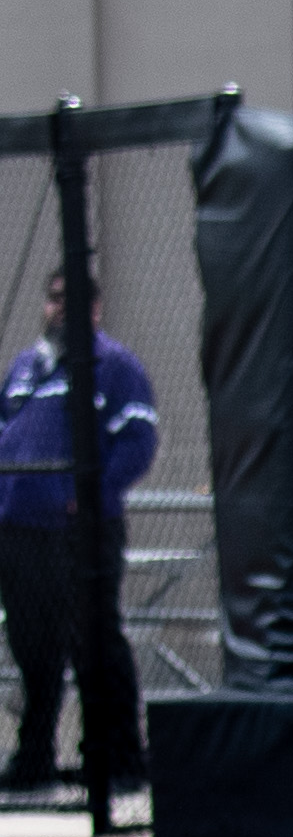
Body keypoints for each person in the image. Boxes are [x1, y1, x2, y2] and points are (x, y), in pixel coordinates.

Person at [0, 268, 159, 796]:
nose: (57, 309)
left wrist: (89, 497)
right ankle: (35, 757)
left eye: (69, 301)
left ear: (93, 309)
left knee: (93, 637)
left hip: (80, 533)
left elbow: (138, 439)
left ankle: (118, 758)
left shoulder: (113, 366)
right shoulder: (27, 367)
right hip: (21, 533)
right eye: (51, 299)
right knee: (32, 645)